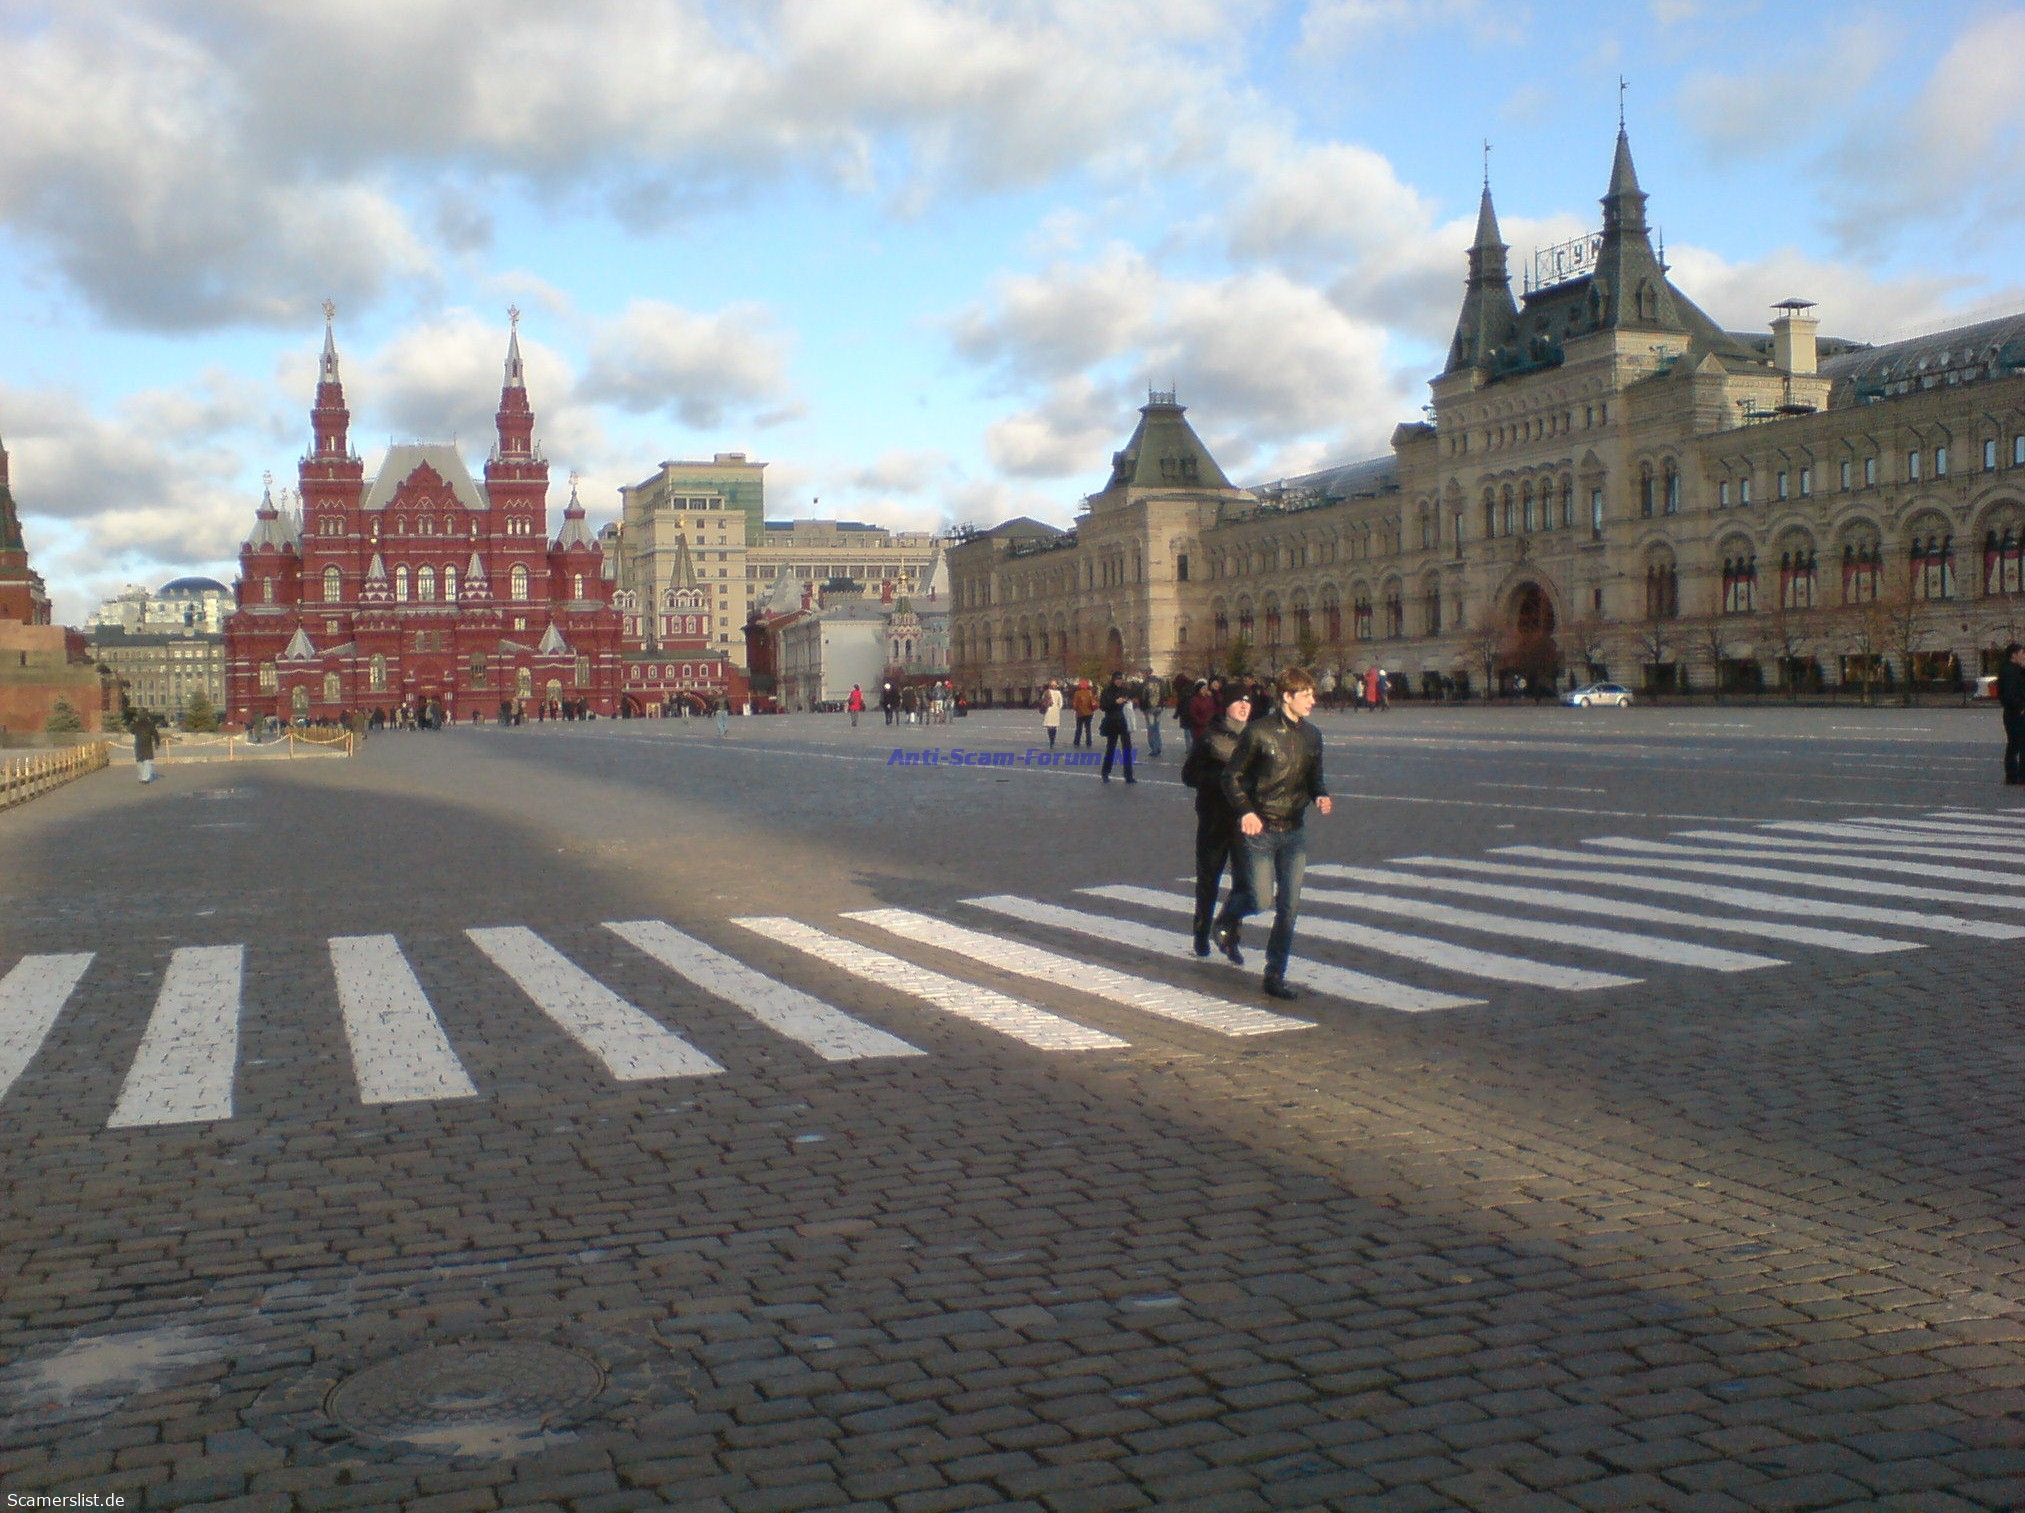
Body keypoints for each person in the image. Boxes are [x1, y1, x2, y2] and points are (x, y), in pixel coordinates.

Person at [1212, 666, 1334, 999]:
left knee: (1289, 907)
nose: (1312, 700)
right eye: (1305, 695)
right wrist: (1247, 811)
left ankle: (1275, 973)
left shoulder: (1312, 736)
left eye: (1312, 694)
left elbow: (1315, 778)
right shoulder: (1259, 732)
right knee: (1260, 900)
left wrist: (1320, 795)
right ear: (1287, 696)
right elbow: (1231, 777)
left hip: (1294, 831)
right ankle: (1227, 918)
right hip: (1261, 830)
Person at [1182, 685, 1254, 956]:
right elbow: (1189, 775)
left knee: (1243, 883)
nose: (1244, 706)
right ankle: (1201, 933)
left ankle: (1229, 936)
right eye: (1238, 702)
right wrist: (1223, 780)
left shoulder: (1255, 738)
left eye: (1247, 702)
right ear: (1227, 706)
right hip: (1213, 819)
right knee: (1208, 880)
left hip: (1243, 821)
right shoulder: (1210, 738)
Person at [1098, 671, 1136, 784]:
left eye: (1120, 679)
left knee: (1127, 749)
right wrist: (1115, 702)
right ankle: (1105, 773)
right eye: (1117, 679)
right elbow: (1103, 706)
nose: (1119, 681)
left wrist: (1129, 701)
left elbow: (1132, 702)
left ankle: (1129, 775)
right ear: (1113, 680)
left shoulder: (1125, 690)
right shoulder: (1107, 691)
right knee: (1111, 749)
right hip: (1112, 722)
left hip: (1124, 722)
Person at [2001, 641, 2025, 786]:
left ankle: (2013, 775)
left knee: (2015, 744)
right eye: (2022, 653)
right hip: (2015, 713)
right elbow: (2009, 694)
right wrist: (2020, 706)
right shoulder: (2009, 671)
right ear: (2014, 655)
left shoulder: (2017, 669)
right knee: (2019, 744)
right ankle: (2018, 775)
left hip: (2015, 712)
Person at [1141, 672, 1165, 759]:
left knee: (1151, 729)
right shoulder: (1160, 682)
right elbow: (1164, 694)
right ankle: (1158, 746)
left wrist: (1143, 709)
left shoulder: (1146, 683)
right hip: (1158, 708)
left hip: (1149, 709)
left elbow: (1143, 697)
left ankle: (1154, 748)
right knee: (1157, 728)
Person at [132, 710, 160, 784]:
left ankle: (141, 776)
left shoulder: (136, 724)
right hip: (147, 744)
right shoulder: (150, 724)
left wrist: (133, 722)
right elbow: (155, 734)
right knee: (147, 761)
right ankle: (145, 778)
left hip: (138, 744)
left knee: (139, 761)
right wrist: (157, 742)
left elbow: (131, 731)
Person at [1070, 679, 1097, 746]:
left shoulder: (1077, 693)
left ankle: (1077, 741)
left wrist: (1076, 709)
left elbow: (1074, 704)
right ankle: (1089, 742)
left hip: (1080, 713)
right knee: (1088, 728)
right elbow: (1094, 702)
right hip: (1089, 713)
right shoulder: (1090, 692)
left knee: (1079, 728)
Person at [1040, 680, 1063, 747]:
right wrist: (1058, 708)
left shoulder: (1046, 692)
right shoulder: (1058, 693)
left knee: (1049, 726)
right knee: (1054, 726)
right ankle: (1052, 740)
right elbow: (1061, 703)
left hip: (1048, 710)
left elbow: (1042, 700)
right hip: (1055, 711)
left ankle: (1051, 740)